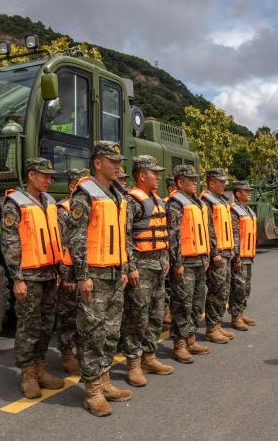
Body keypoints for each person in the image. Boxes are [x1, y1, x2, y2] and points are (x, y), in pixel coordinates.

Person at [64, 141, 132, 417]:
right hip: (94, 274)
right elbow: (76, 237)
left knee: (111, 332)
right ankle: (92, 390)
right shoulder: (85, 194)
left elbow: (123, 235)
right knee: (92, 333)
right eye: (111, 161)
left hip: (115, 274)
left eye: (118, 161)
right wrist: (82, 276)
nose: (117, 165)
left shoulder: (116, 193)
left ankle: (104, 381)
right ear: (97, 163)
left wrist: (125, 267)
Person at [0, 157, 65, 399]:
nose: (49, 179)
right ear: (31, 175)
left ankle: (40, 368)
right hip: (28, 276)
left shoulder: (50, 201)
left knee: (47, 325)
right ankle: (27, 373)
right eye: (44, 175)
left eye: (50, 176)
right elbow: (10, 243)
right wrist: (17, 278)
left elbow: (58, 236)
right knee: (28, 327)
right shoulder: (14, 203)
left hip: (50, 274)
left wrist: (60, 271)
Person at [120, 155, 174, 387]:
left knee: (156, 314)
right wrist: (130, 267)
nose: (159, 176)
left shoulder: (158, 200)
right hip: (140, 268)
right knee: (137, 318)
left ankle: (149, 358)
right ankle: (133, 363)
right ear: (142, 175)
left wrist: (166, 259)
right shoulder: (131, 201)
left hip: (159, 266)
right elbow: (124, 237)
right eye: (155, 173)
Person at [166, 165, 212, 363]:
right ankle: (180, 345)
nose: (195, 182)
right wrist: (177, 263)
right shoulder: (175, 203)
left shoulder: (198, 202)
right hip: (185, 261)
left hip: (200, 259)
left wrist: (207, 256)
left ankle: (191, 339)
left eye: (195, 179)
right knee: (182, 304)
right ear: (180, 182)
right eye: (190, 179)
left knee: (196, 303)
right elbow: (173, 236)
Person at [56, 168, 90, 375]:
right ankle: (67, 354)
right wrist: (66, 274)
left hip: (83, 269)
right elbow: (62, 244)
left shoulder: (87, 205)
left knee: (82, 315)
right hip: (69, 272)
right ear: (72, 186)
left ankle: (81, 352)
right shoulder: (63, 210)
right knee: (68, 316)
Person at [201, 168, 235, 344]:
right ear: (211, 183)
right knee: (216, 291)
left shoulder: (221, 200)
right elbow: (209, 229)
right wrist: (214, 252)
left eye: (224, 182)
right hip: (218, 254)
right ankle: (211, 328)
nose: (224, 185)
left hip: (226, 251)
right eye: (220, 182)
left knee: (224, 290)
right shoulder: (206, 201)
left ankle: (217, 323)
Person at [229, 181, 258, 331]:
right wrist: (237, 257)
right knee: (238, 288)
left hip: (248, 255)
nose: (249, 192)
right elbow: (235, 237)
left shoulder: (248, 210)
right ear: (238, 193)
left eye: (249, 190)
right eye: (246, 191)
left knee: (246, 287)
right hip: (240, 256)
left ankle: (241, 312)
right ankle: (236, 317)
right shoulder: (234, 211)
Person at [162, 176, 178, 328]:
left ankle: (170, 310)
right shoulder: (168, 203)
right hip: (167, 249)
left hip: (173, 249)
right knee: (168, 283)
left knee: (173, 283)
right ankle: (166, 310)